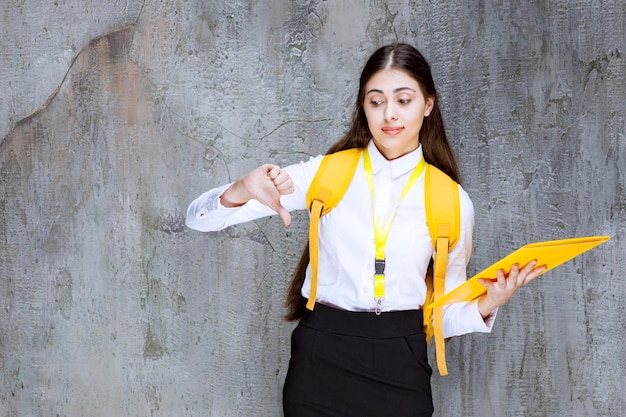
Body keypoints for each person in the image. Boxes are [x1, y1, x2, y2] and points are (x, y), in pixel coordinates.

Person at [186, 43, 545, 417]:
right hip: (320, 359)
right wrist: (240, 190)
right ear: (363, 107)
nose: (389, 114)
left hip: (401, 364)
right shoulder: (326, 173)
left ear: (427, 104)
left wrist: (490, 301)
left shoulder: (452, 201)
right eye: (376, 101)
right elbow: (198, 219)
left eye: (403, 100)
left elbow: (442, 314)